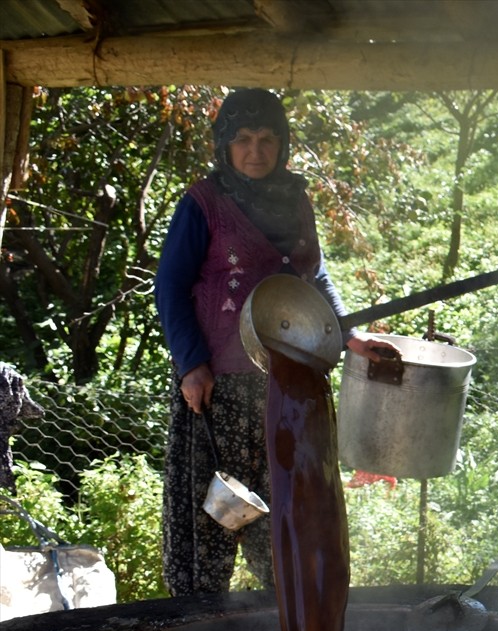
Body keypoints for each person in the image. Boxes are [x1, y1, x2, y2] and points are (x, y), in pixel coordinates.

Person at [155, 88, 390, 596]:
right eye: (242, 139)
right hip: (216, 396)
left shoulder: (296, 200)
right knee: (206, 532)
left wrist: (348, 333)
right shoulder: (203, 204)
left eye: (266, 139)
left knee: (287, 531)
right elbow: (169, 285)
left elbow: (318, 280)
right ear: (224, 145)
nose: (255, 151)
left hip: (288, 392)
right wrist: (191, 364)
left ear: (282, 145)